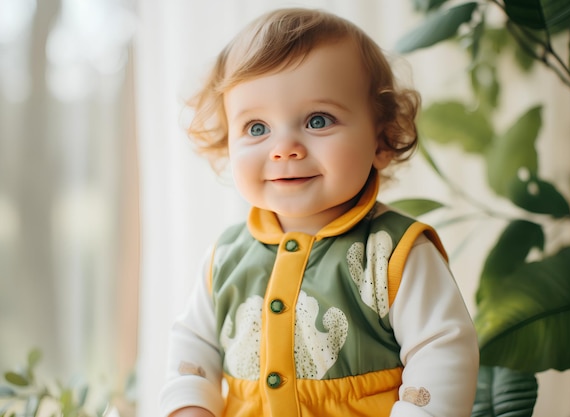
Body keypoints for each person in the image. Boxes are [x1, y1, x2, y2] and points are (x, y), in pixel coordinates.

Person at [160, 7, 479, 417]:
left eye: (317, 120)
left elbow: (442, 350)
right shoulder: (225, 258)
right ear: (227, 140)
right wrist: (189, 406)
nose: (284, 147)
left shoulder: (395, 255)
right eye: (257, 127)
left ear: (382, 139)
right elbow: (193, 345)